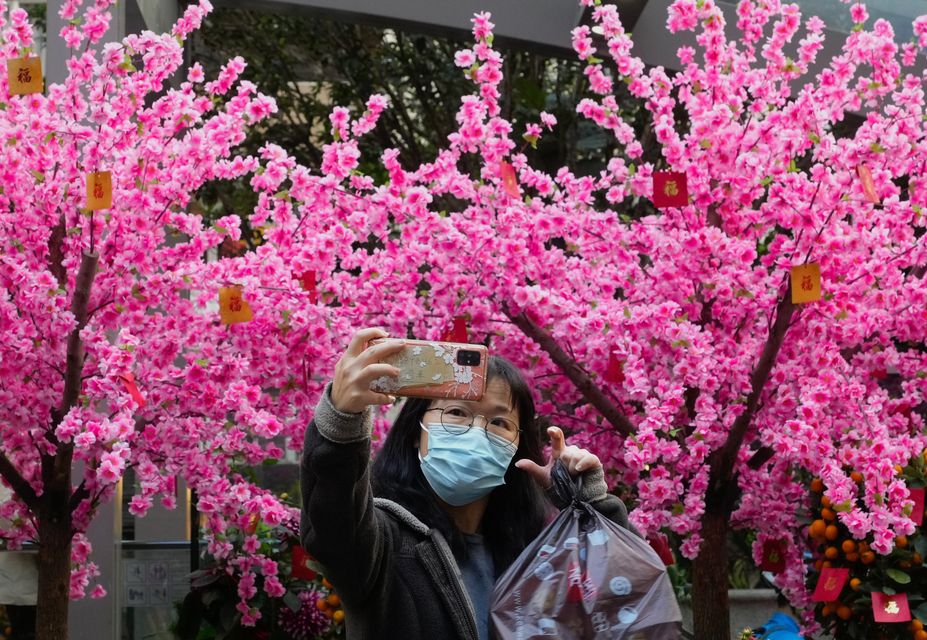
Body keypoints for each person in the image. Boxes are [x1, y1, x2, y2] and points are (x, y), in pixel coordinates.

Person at [300, 328, 637, 640]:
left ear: (517, 447)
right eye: (457, 413)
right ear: (416, 433)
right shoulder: (383, 543)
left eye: (499, 422)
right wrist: (341, 422)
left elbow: (628, 596)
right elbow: (332, 531)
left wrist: (589, 506)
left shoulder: (539, 549)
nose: (478, 432)